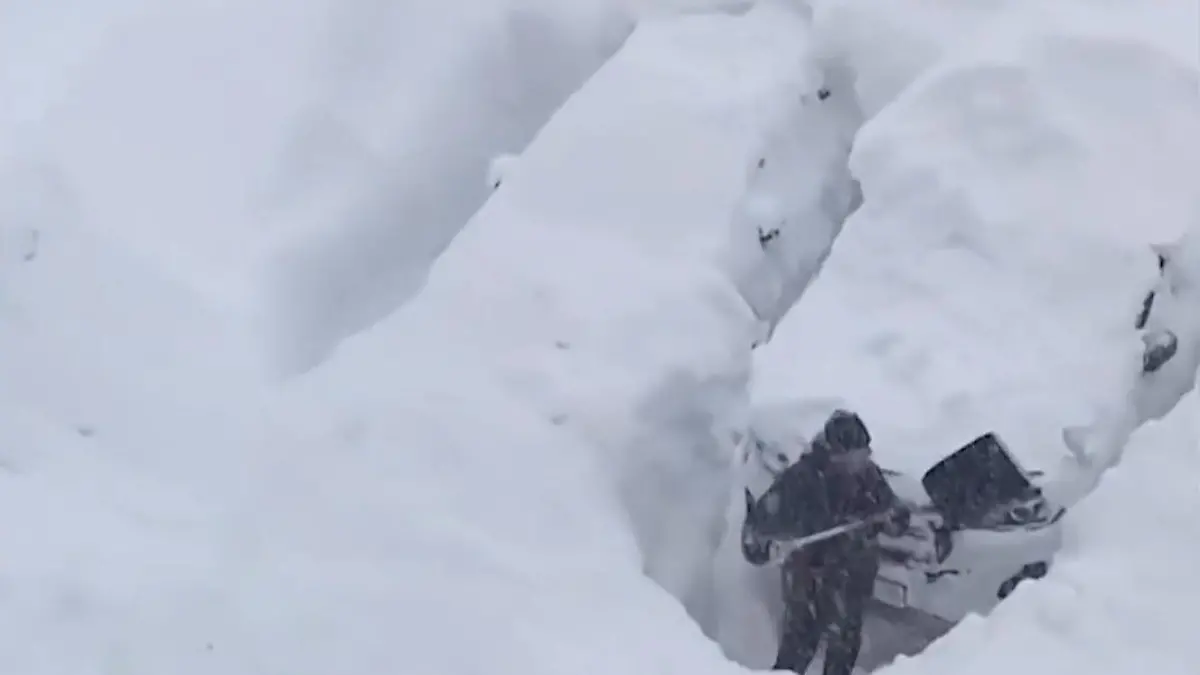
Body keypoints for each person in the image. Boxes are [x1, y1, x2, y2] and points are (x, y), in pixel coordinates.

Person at [741, 409, 910, 675]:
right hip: (809, 581)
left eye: (866, 452)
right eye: (856, 455)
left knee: (843, 648)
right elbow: (757, 532)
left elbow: (896, 513)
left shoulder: (868, 475)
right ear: (835, 454)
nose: (865, 459)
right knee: (798, 646)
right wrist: (764, 542)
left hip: (852, 581)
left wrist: (893, 519)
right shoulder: (800, 480)